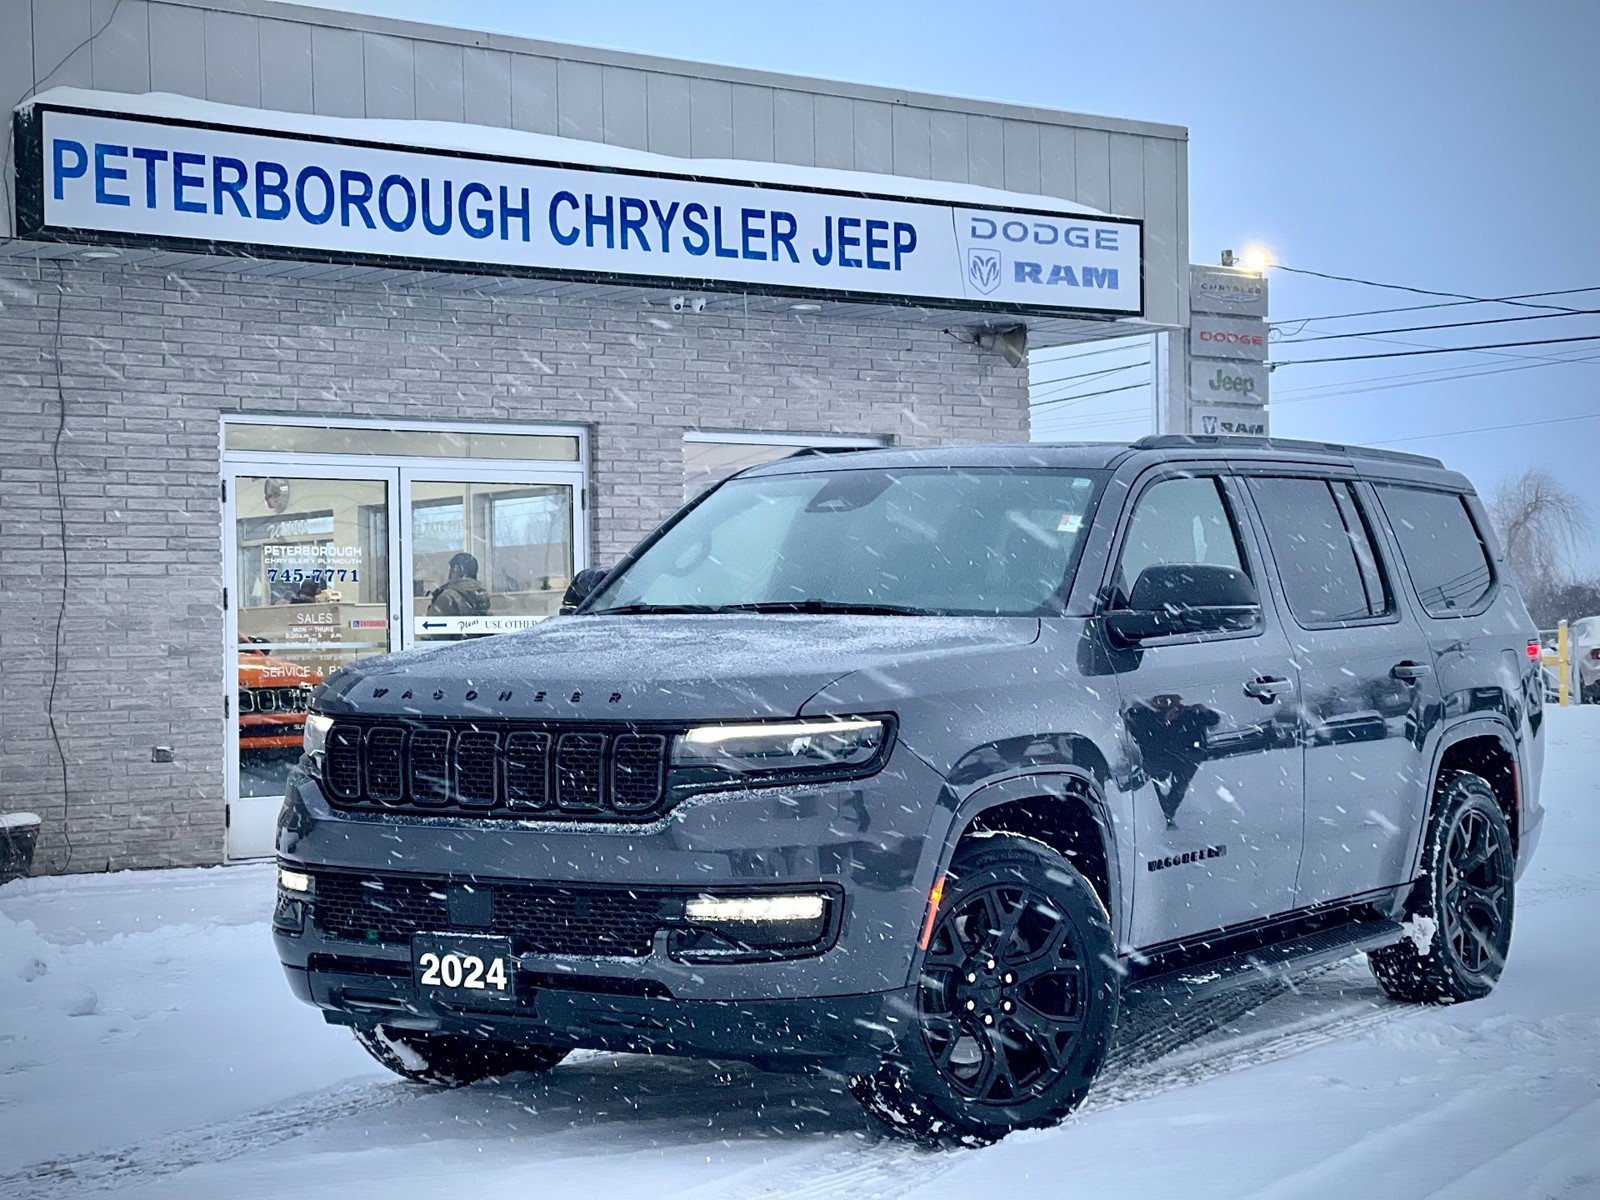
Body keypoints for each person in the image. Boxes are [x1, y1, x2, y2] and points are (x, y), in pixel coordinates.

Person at [428, 552, 492, 617]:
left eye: (451, 570)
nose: (449, 576)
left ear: (456, 570)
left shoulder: (448, 596)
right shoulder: (483, 594)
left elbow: (432, 623)